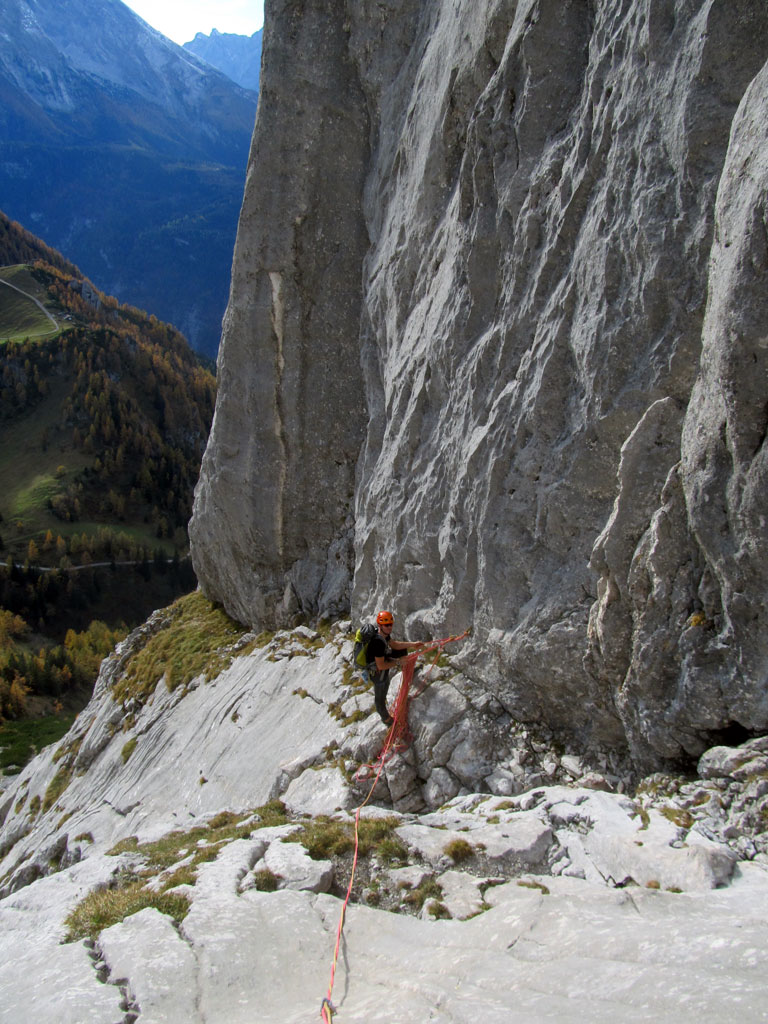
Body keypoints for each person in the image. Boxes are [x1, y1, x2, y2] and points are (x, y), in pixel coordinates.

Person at [363, 610, 424, 726]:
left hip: (382, 659)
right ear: (380, 625)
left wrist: (413, 644)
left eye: (391, 624)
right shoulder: (378, 643)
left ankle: (407, 672)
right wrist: (398, 662)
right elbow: (381, 665)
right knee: (381, 695)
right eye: (386, 625)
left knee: (402, 650)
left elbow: (395, 645)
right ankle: (385, 719)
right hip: (377, 672)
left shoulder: (384, 634)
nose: (389, 627)